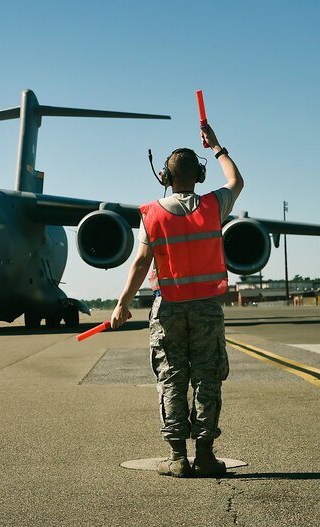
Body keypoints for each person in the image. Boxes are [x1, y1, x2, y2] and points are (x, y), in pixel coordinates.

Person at [110, 123, 243, 478]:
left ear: (164, 177)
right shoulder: (213, 206)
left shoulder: (151, 214)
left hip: (166, 307)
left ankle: (177, 457)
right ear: (199, 176)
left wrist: (122, 303)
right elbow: (236, 180)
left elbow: (140, 262)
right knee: (206, 379)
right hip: (206, 309)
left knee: (172, 379)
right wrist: (216, 146)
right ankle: (205, 455)